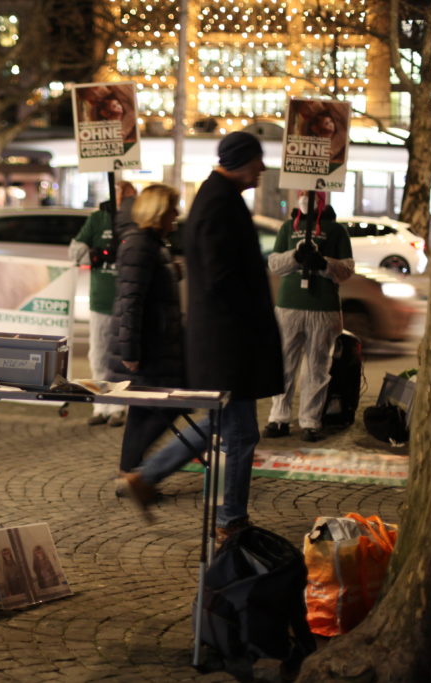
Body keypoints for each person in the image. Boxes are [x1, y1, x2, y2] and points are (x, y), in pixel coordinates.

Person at [123, 132, 283, 542]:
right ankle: (231, 520)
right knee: (242, 434)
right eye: (257, 162)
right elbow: (220, 280)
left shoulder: (218, 199)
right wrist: (249, 322)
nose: (262, 170)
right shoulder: (218, 203)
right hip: (229, 345)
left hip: (226, 343)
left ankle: (146, 477)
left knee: (221, 424)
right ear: (240, 161)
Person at [104, 185, 186, 497]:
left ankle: (128, 475)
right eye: (173, 209)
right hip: (149, 346)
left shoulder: (151, 242)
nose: (177, 215)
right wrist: (130, 351)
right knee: (174, 403)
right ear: (158, 212)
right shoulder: (141, 244)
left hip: (155, 341)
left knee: (141, 410)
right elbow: (130, 301)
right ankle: (135, 476)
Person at [264, 191, 354, 442]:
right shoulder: (286, 228)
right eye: (302, 193)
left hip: (323, 309)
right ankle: (278, 417)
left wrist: (323, 263)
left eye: (311, 194)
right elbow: (274, 264)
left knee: (317, 367)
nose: (306, 198)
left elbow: (347, 269)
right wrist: (295, 257)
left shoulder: (336, 231)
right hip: (289, 306)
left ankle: (310, 420)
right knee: (284, 364)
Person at [68, 181, 137, 427]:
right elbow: (75, 252)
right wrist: (99, 253)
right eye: (124, 195)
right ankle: (101, 404)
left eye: (131, 196)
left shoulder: (137, 219)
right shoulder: (98, 219)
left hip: (128, 301)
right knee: (98, 355)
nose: (128, 200)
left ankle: (119, 406)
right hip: (102, 299)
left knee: (122, 359)